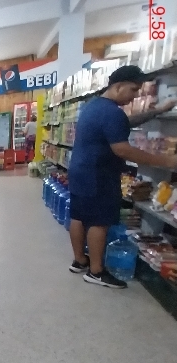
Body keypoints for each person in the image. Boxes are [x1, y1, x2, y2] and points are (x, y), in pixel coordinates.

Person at [68, 64, 177, 289]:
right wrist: (167, 161)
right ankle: (96, 272)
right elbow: (123, 150)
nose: (135, 95)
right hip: (99, 175)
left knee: (79, 216)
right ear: (118, 87)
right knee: (99, 222)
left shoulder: (94, 106)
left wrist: (157, 111)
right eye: (133, 89)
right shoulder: (112, 112)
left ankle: (79, 261)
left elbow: (126, 123)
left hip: (80, 171)